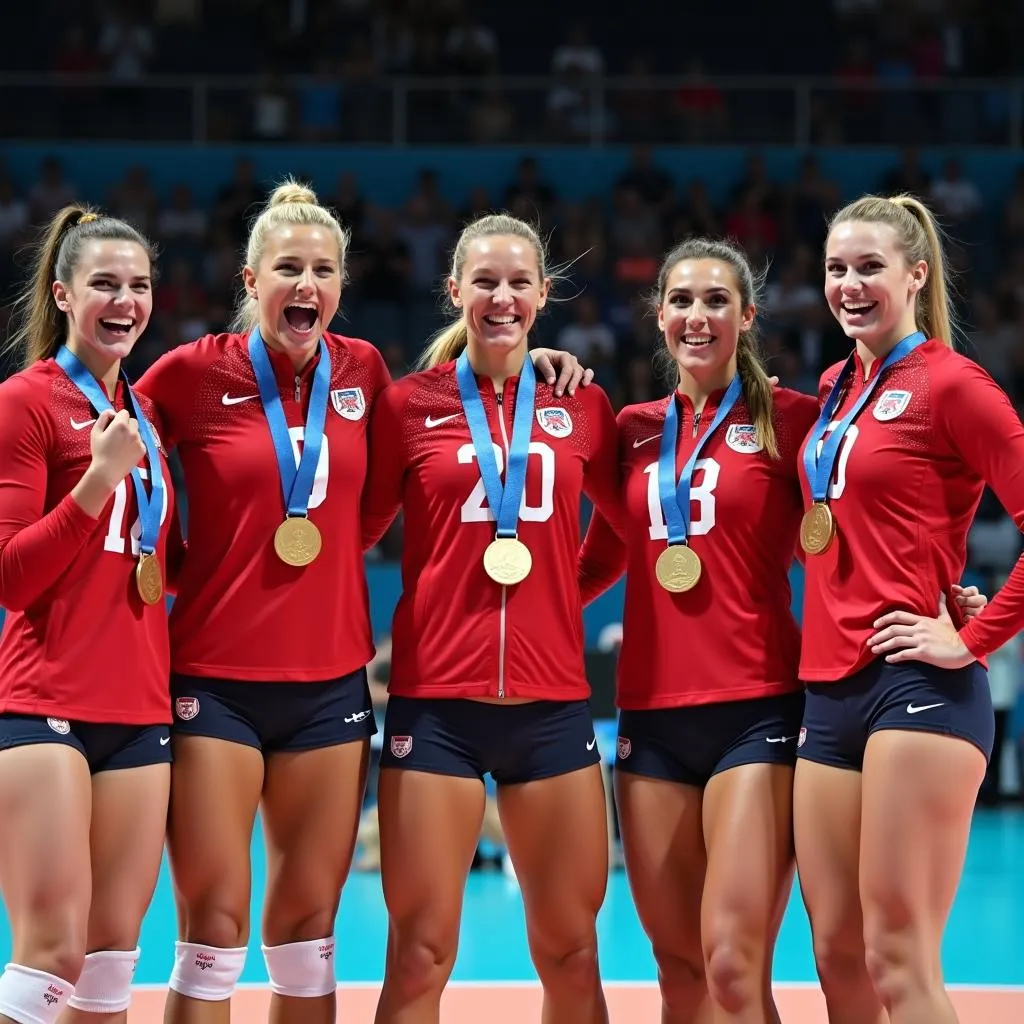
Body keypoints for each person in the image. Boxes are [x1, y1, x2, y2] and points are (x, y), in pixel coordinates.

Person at [133, 183, 589, 1024]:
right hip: (213, 684)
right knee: (214, 932)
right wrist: (181, 564)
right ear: (249, 277)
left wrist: (333, 540)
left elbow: (377, 501)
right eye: (287, 269)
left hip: (329, 690)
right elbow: (122, 462)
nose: (305, 285)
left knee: (309, 934)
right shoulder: (190, 375)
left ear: (341, 285)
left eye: (323, 270)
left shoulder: (362, 370)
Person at [361, 212, 624, 1024]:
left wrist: (551, 596)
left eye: (518, 283)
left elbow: (623, 528)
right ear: (455, 291)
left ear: (544, 295)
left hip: (549, 712)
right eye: (485, 281)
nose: (502, 297)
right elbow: (352, 535)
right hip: (435, 710)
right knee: (418, 954)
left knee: (573, 954)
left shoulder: (581, 404)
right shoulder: (408, 406)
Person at [794, 194, 1024, 1024]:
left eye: (869, 268)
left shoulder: (956, 386)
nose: (849, 285)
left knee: (898, 957)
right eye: (835, 269)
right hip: (828, 685)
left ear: (916, 276)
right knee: (837, 959)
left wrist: (972, 636)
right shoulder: (832, 387)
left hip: (917, 686)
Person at [577, 236, 816, 1024]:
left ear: (747, 317)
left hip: (756, 709)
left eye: (717, 301)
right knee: (679, 971)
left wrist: (941, 588)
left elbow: (871, 510)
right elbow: (603, 556)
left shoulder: (793, 419)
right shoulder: (632, 430)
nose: (697, 316)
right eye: (681, 300)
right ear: (659, 316)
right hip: (651, 716)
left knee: (732, 964)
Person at [0, 206, 175, 1024]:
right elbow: (12, 579)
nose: (125, 301)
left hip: (140, 707)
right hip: (46, 702)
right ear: (64, 294)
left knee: (111, 962)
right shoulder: (24, 403)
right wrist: (98, 480)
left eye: (138, 285)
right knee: (50, 955)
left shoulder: (145, 414)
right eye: (105, 283)